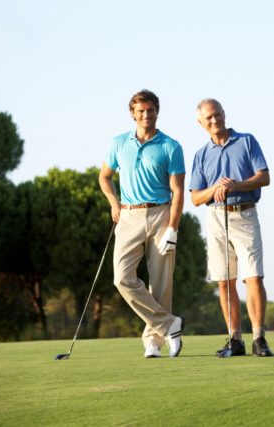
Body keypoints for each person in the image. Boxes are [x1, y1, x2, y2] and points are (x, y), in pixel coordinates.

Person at [99, 89, 186, 358]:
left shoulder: (171, 146)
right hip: (128, 215)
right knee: (122, 278)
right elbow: (105, 177)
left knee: (160, 284)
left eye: (150, 110)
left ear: (157, 111)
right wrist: (114, 204)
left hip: (161, 215)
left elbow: (179, 192)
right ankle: (169, 323)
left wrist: (173, 227)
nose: (146, 115)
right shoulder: (117, 143)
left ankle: (153, 342)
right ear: (132, 114)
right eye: (140, 111)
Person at [189, 98, 273, 357]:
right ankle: (234, 339)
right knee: (225, 282)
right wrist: (214, 189)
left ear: (224, 114)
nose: (215, 121)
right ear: (200, 123)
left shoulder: (247, 141)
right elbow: (195, 198)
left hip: (244, 213)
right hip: (216, 219)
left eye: (218, 115)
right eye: (209, 118)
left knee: (253, 277)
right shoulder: (201, 155)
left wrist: (235, 185)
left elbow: (264, 177)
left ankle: (259, 338)